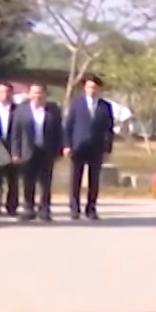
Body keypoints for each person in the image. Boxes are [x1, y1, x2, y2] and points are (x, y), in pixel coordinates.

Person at [64, 74, 115, 221]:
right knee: (75, 179)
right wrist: (67, 145)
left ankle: (91, 208)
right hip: (78, 146)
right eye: (89, 87)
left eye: (94, 87)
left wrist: (107, 149)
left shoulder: (105, 106)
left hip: (96, 147)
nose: (92, 90)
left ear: (99, 89)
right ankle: (74, 208)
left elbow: (109, 130)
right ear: (84, 88)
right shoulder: (76, 103)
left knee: (94, 180)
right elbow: (68, 126)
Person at [14, 82, 64, 222]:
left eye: (40, 92)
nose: (37, 95)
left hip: (46, 150)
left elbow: (59, 131)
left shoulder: (53, 109)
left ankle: (44, 209)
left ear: (45, 94)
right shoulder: (21, 110)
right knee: (28, 181)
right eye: (34, 92)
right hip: (27, 151)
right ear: (29, 94)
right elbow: (16, 133)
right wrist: (16, 152)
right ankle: (28, 208)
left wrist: (59, 150)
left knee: (45, 182)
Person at [0, 82, 18, 216]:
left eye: (7, 92)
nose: (5, 95)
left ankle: (12, 206)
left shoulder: (18, 110)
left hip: (13, 147)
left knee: (13, 179)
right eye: (1, 92)